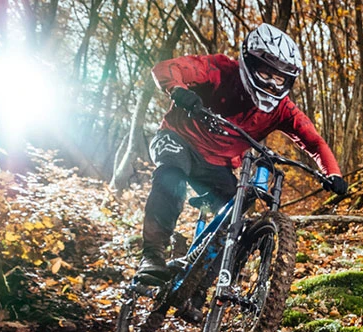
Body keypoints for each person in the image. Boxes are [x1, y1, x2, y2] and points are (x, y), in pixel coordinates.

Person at [136, 23, 347, 281]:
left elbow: (314, 142)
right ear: (249, 63)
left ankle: (200, 281)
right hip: (178, 138)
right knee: (171, 178)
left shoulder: (282, 109)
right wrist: (178, 89)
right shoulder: (221, 70)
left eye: (279, 78)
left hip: (216, 165)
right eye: (265, 73)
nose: (271, 84)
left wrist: (333, 173)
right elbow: (166, 68)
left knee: (235, 216)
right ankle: (153, 256)